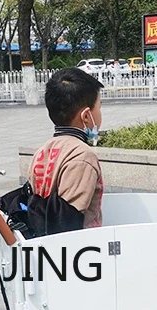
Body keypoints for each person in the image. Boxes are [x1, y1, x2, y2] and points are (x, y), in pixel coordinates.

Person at [26, 67, 104, 231]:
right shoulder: (82, 156)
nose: (100, 113)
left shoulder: (42, 151)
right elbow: (68, 222)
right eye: (99, 107)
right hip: (81, 248)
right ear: (86, 116)